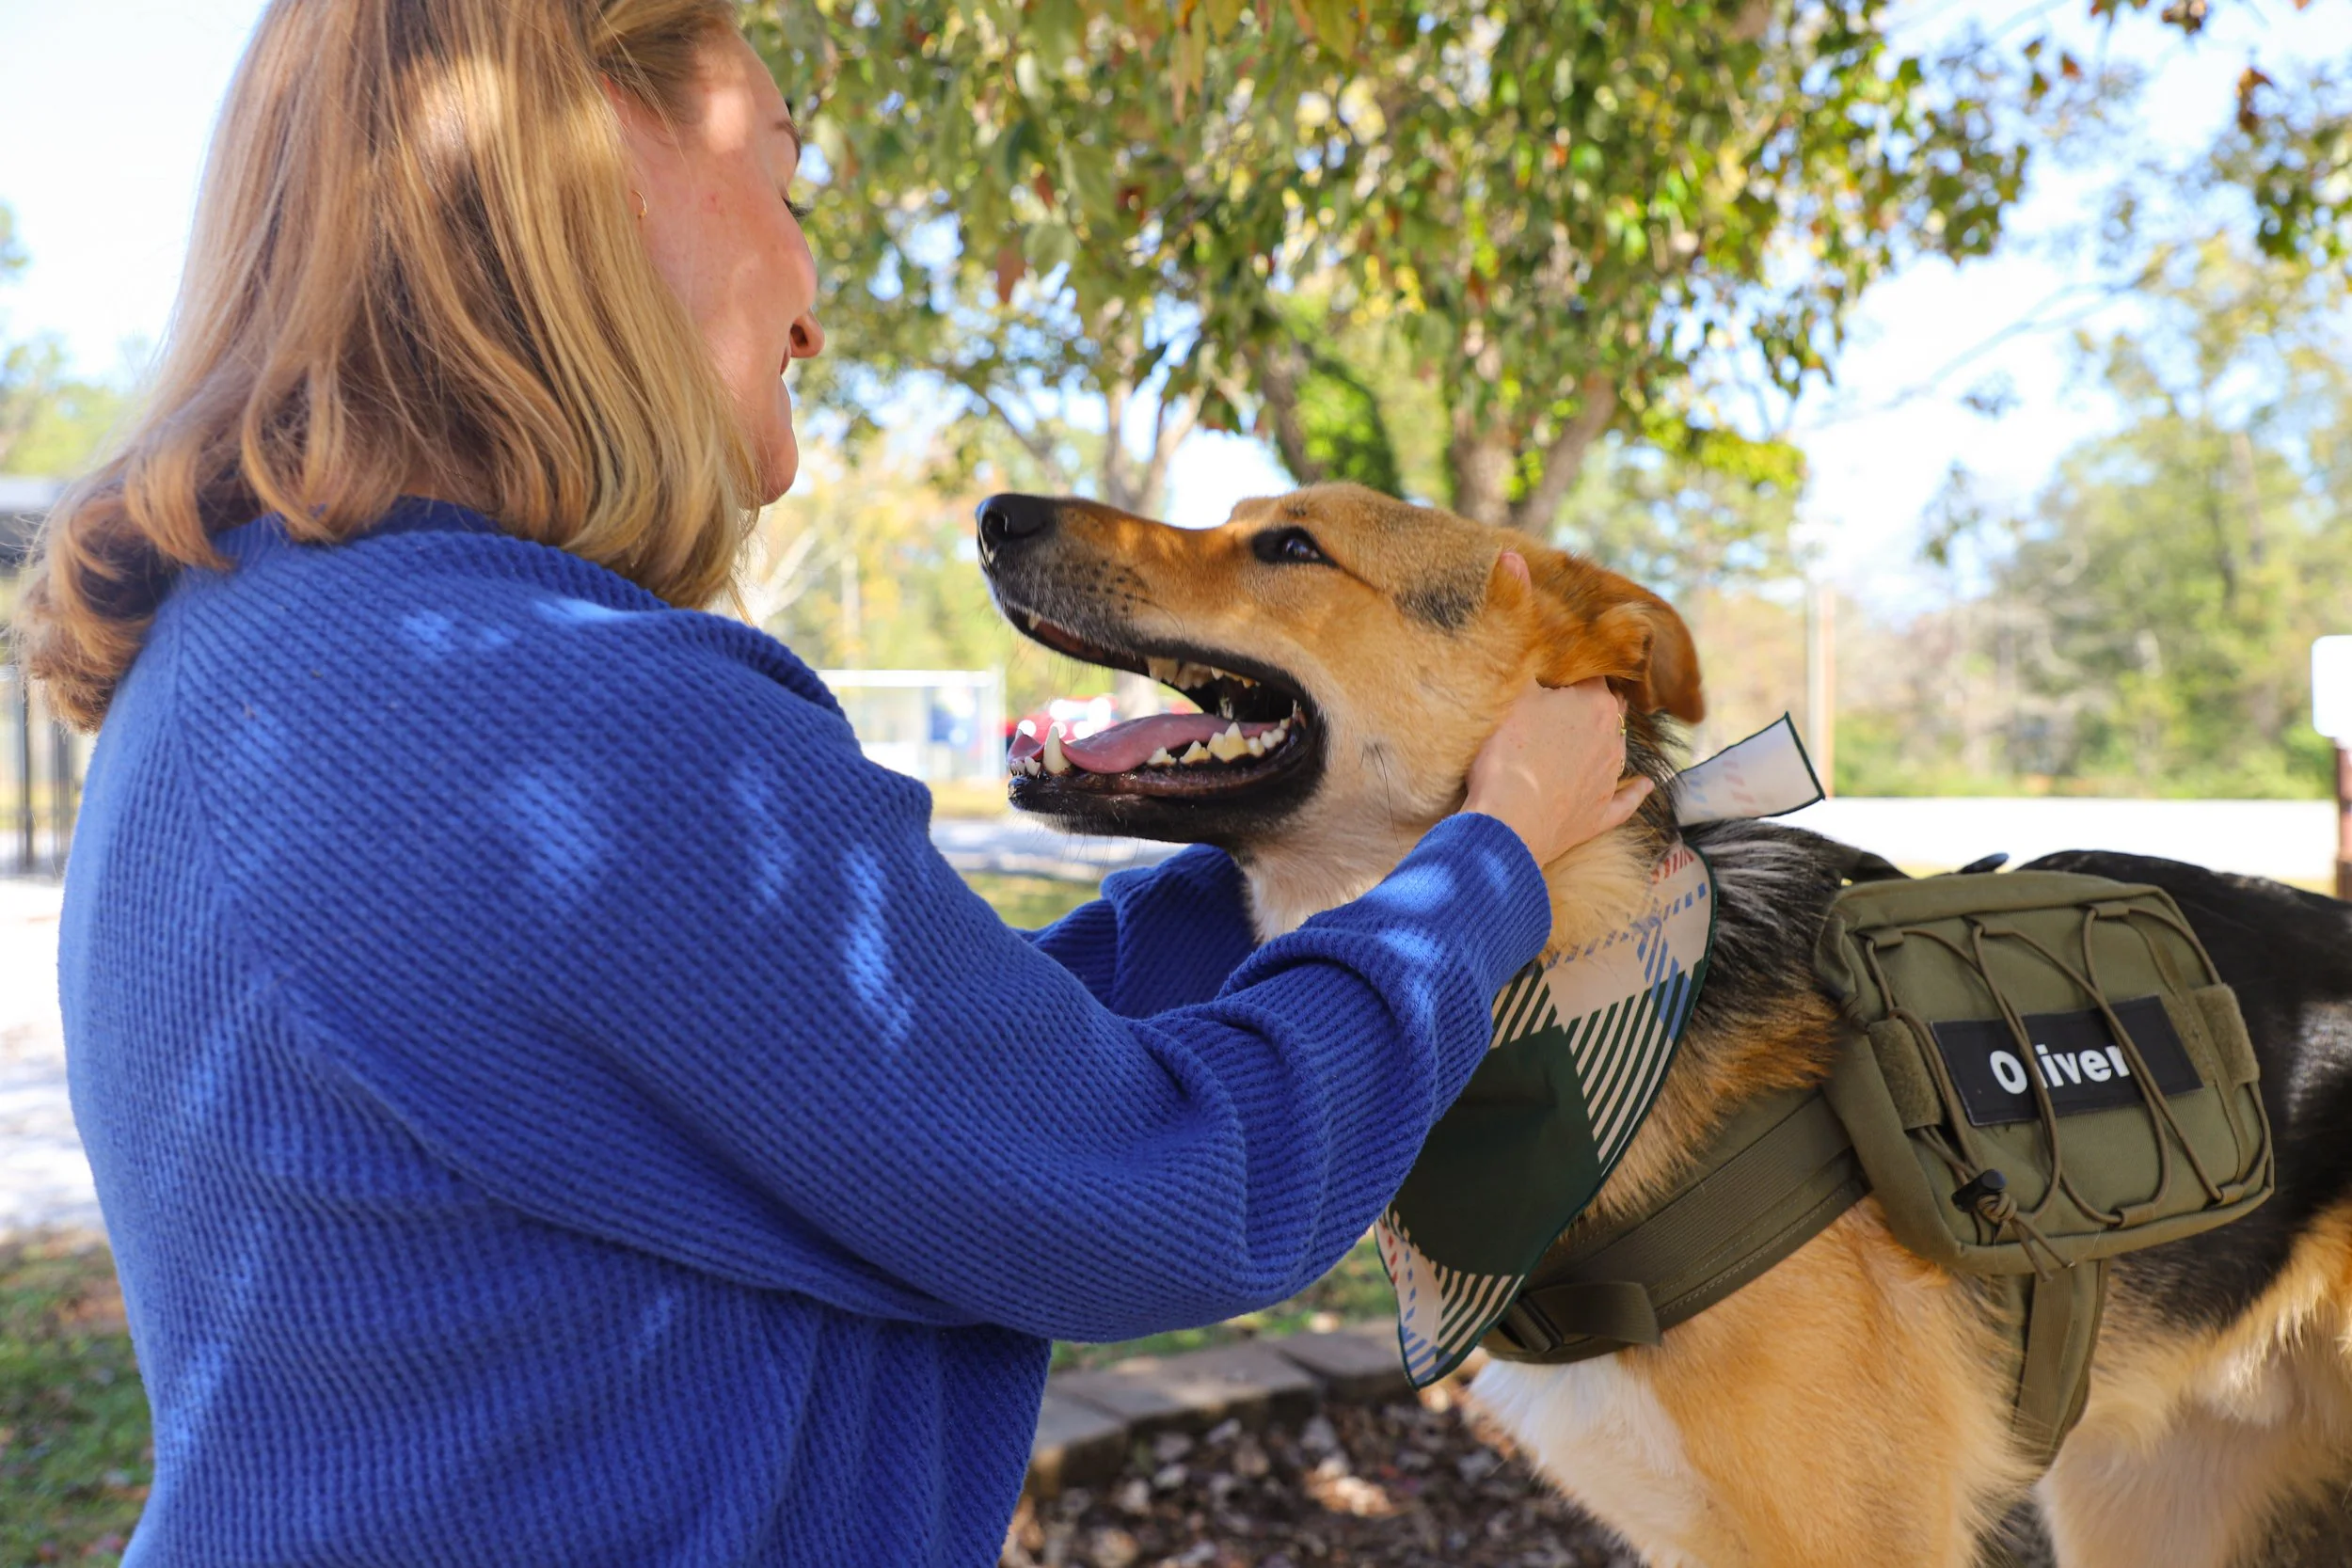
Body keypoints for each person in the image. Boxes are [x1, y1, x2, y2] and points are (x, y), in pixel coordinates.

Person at [13, 2, 1651, 1563]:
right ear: (581, 156)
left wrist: (1293, 855)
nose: (810, 300)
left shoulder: (246, 667)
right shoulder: (593, 726)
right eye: (787, 185)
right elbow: (1170, 1184)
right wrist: (1490, 861)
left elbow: (890, 1079)